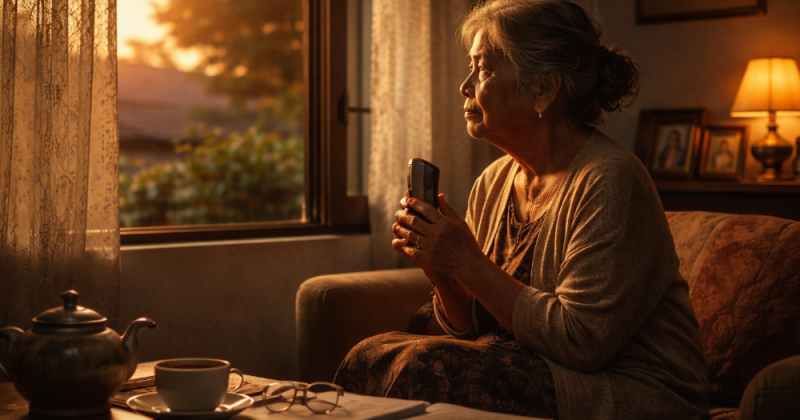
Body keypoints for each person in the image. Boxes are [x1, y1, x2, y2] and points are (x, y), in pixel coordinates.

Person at [334, 1, 710, 419]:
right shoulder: (495, 181)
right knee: (370, 354)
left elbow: (582, 342)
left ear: (544, 89)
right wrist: (443, 272)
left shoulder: (611, 180)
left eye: (484, 69)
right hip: (534, 369)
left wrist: (467, 262)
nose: (465, 85)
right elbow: (474, 330)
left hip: (628, 389)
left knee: (423, 369)